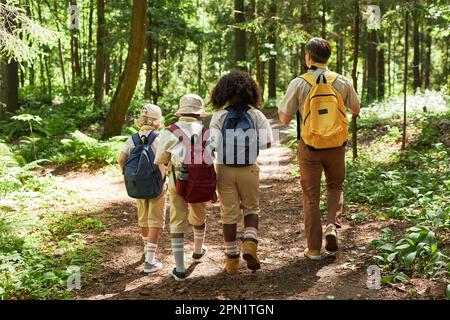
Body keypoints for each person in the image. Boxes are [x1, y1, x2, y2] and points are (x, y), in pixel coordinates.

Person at [278, 37, 360, 260]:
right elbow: (356, 109)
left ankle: (313, 249)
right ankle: (332, 226)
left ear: (308, 57)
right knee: (335, 186)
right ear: (328, 57)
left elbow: (284, 119)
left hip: (310, 147)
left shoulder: (299, 83)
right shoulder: (342, 81)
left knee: (311, 197)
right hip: (336, 146)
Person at [209, 70, 273, 274]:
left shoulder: (219, 116)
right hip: (249, 169)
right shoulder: (256, 115)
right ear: (250, 91)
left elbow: (211, 146)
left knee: (228, 214)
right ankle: (250, 243)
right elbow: (267, 143)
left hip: (225, 170)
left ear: (223, 92)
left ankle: (231, 259)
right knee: (251, 209)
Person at [154, 94, 210, 281]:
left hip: (177, 178)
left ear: (181, 112)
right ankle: (197, 251)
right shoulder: (206, 132)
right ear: (199, 114)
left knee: (177, 218)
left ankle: (179, 269)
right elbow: (212, 159)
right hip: (201, 179)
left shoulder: (169, 131)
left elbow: (161, 160)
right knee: (199, 214)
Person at [118, 103, 167, 273]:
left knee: (143, 217)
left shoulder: (132, 138)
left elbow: (121, 159)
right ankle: (150, 260)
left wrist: (128, 174)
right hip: (156, 184)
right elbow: (163, 160)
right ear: (157, 120)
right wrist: (163, 179)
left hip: (138, 183)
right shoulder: (160, 138)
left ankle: (146, 249)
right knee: (156, 220)